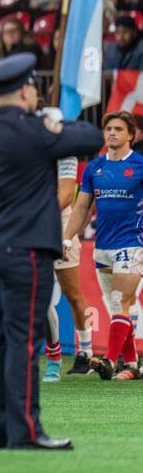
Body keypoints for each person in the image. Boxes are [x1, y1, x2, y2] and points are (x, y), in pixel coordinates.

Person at [0, 53, 102, 450]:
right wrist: (56, 119)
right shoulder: (38, 129)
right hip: (26, 247)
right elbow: (90, 139)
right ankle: (25, 431)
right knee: (24, 341)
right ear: (26, 91)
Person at [62, 111, 143, 381]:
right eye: (108, 128)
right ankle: (131, 365)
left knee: (121, 301)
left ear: (131, 135)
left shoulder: (140, 166)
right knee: (120, 307)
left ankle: (109, 360)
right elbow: (82, 206)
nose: (112, 133)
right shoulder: (96, 168)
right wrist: (67, 237)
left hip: (132, 244)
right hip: (103, 246)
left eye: (119, 129)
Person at [46, 150, 92, 380]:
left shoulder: (65, 152)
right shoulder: (23, 143)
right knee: (36, 295)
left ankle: (85, 352)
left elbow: (65, 196)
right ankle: (50, 356)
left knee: (72, 294)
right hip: (27, 222)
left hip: (62, 222)